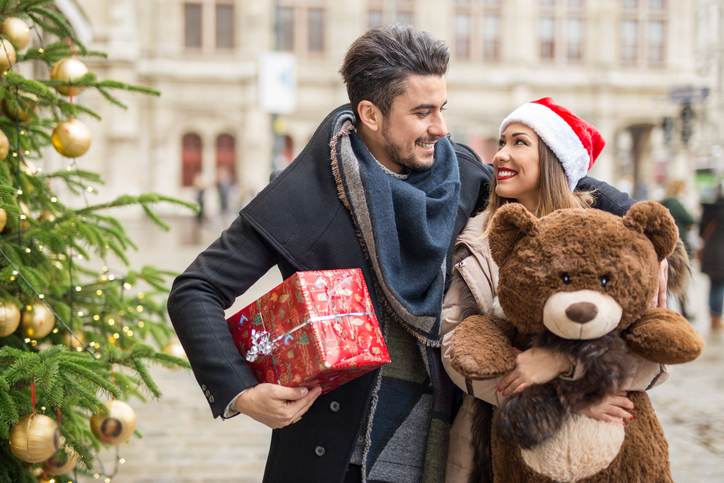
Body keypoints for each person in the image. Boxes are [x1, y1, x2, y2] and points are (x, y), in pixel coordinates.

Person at [167, 27, 635, 483]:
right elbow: (195, 290)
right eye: (423, 112)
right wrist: (242, 391)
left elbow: (551, 177)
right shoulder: (305, 192)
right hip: (331, 455)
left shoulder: (461, 174)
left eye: (442, 108)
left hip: (444, 447)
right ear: (371, 114)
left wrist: (639, 224)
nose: (441, 127)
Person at [440, 98, 669, 482]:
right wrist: (551, 396)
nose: (500, 155)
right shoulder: (477, 241)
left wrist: (568, 369)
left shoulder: (606, 240)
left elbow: (655, 356)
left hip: (608, 453)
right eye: (501, 142)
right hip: (502, 449)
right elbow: (454, 350)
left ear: (553, 158)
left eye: (519, 142)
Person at [661, 179, 695, 317]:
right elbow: (690, 220)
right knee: (680, 277)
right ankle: (684, 312)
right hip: (679, 243)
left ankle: (665, 309)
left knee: (666, 278)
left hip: (667, 243)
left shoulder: (663, 201)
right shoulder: (676, 202)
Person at [699, 183, 724, 331]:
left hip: (710, 252)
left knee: (714, 284)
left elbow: (701, 232)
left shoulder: (709, 210)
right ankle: (717, 317)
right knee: (720, 285)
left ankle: (713, 316)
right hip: (722, 254)